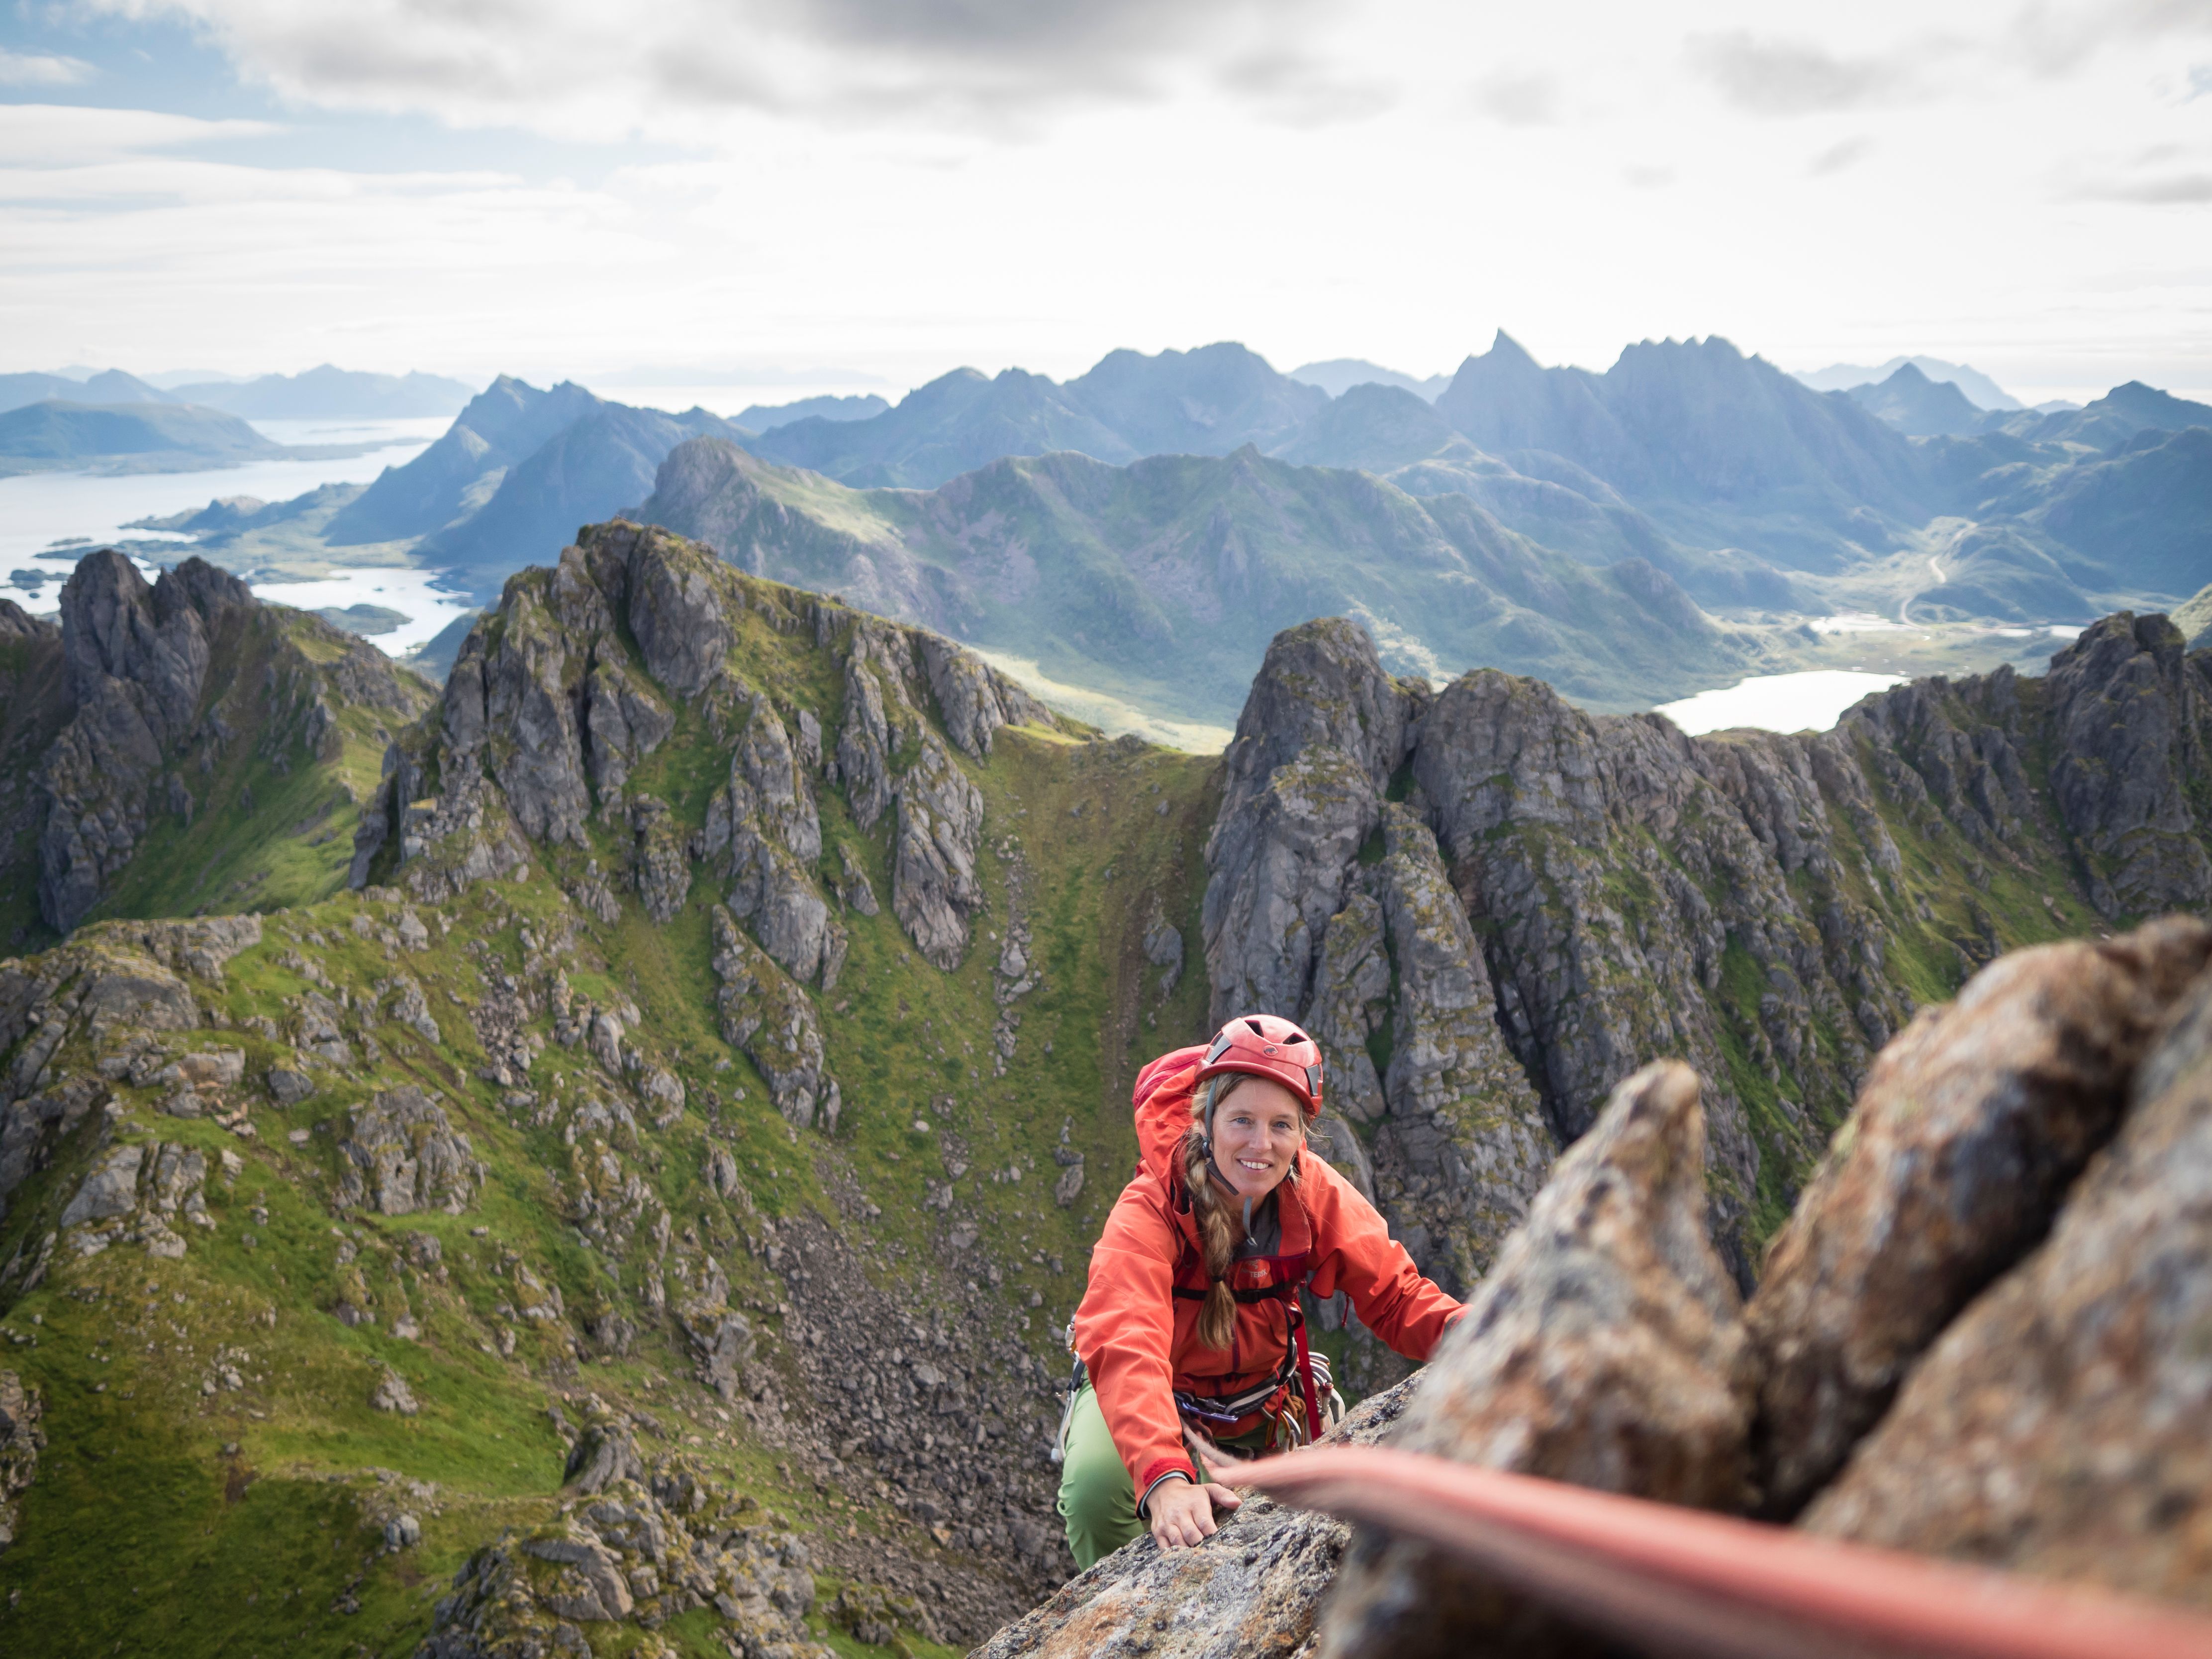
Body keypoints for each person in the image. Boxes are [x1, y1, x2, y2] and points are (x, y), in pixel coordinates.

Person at [1056, 1013, 1465, 1568]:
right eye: (1242, 1120)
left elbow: (1395, 1294)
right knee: (1095, 1491)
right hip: (1156, 1396)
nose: (1261, 1143)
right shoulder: (1151, 1206)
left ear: (1301, 1135)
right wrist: (1165, 1477)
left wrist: (1483, 1339)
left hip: (1258, 1400)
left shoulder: (1312, 1190)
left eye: (1281, 1125)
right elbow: (1127, 1340)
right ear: (1206, 1120)